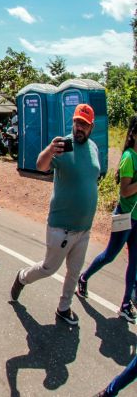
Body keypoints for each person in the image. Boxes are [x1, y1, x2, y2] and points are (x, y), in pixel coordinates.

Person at [11, 103, 101, 325]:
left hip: (84, 227)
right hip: (62, 225)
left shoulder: (94, 148)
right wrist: (50, 150)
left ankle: (64, 308)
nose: (80, 128)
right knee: (49, 268)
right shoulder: (63, 145)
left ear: (91, 127)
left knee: (74, 271)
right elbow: (41, 166)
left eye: (85, 125)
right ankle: (22, 277)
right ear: (72, 121)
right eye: (77, 122)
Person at [77, 114, 137, 322]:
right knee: (110, 255)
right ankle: (83, 278)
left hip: (136, 219)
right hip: (125, 217)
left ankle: (126, 304)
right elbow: (125, 191)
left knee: (135, 262)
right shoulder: (129, 157)